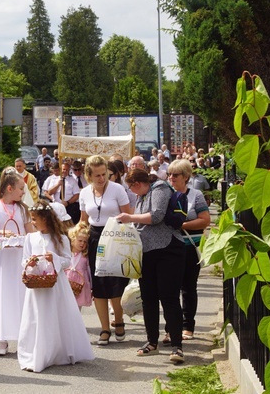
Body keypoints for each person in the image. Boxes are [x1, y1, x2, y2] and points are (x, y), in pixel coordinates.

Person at [117, 168, 186, 363]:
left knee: (169, 297)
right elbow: (140, 223)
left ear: (137, 184)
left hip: (168, 250)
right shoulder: (141, 197)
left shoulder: (160, 188)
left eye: (131, 188)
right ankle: (151, 342)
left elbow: (156, 216)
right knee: (148, 298)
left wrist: (129, 218)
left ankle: (177, 346)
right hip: (147, 253)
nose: (131, 192)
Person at [18, 204, 94, 372]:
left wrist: (55, 259)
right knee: (38, 316)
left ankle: (58, 350)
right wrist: (29, 263)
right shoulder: (30, 238)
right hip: (37, 284)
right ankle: (38, 353)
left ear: (45, 219)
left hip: (55, 285)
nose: (33, 222)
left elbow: (67, 260)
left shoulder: (60, 238)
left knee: (55, 314)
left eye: (35, 219)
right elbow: (23, 260)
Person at [0, 168, 35, 356]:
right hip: (2, 258)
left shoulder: (23, 209)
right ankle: (2, 340)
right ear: (9, 188)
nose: (23, 193)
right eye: (21, 189)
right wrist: (0, 233)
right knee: (2, 294)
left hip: (19, 256)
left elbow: (31, 232)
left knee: (21, 295)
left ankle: (24, 338)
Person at [79, 155, 132, 345]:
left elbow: (128, 215)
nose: (102, 179)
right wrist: (78, 240)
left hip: (115, 236)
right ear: (89, 176)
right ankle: (104, 328)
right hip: (94, 237)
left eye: (104, 174)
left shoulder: (117, 189)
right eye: (97, 176)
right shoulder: (85, 193)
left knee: (116, 282)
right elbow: (83, 221)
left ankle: (118, 320)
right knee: (99, 284)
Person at [168, 159, 211, 341]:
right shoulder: (166, 195)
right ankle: (171, 327)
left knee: (188, 288)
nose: (171, 178)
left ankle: (188, 325)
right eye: (169, 174)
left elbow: (205, 220)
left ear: (185, 177)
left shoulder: (196, 195)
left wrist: (182, 224)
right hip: (170, 248)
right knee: (170, 289)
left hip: (190, 247)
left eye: (175, 175)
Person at [67, 221, 92, 310]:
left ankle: (76, 323)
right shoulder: (67, 254)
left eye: (85, 242)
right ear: (73, 240)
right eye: (80, 241)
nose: (82, 244)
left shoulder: (84, 257)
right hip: (67, 284)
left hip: (80, 287)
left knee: (77, 308)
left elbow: (89, 272)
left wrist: (91, 287)